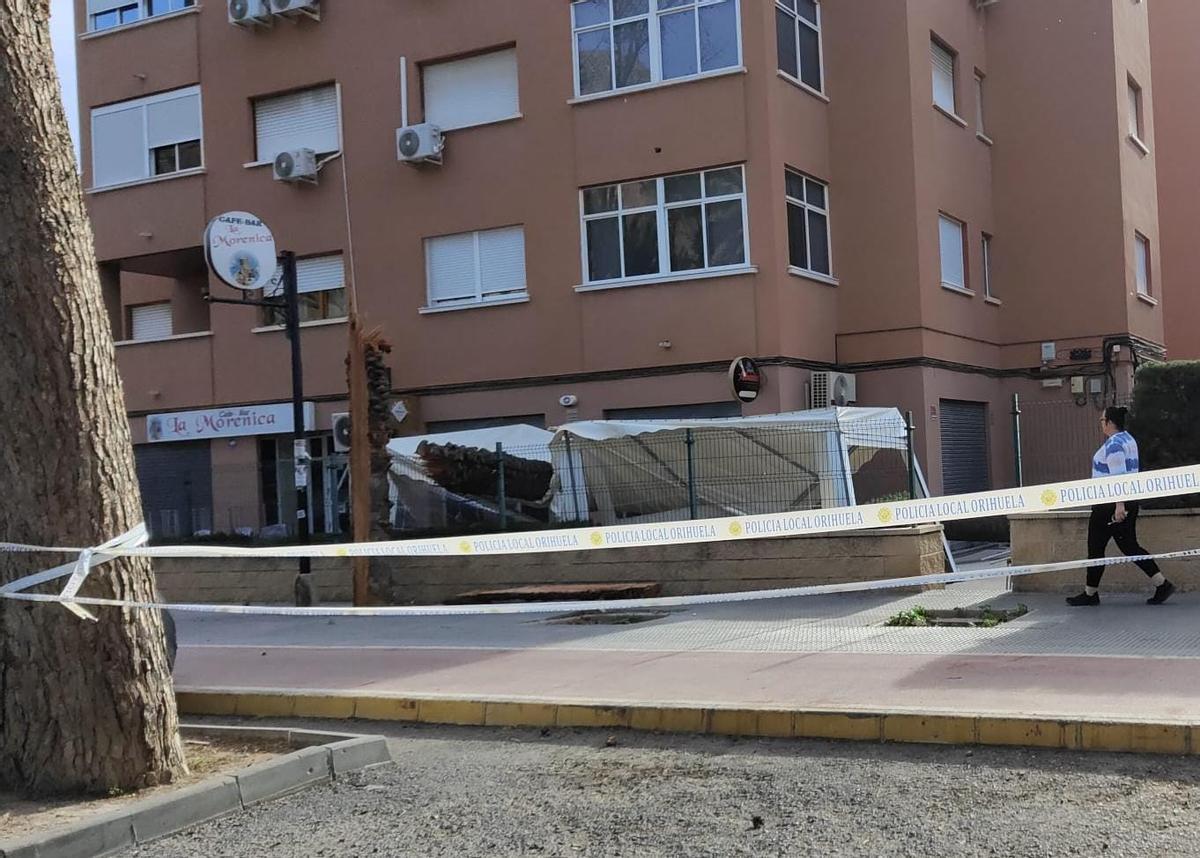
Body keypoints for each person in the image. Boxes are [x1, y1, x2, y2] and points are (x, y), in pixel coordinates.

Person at [1067, 406, 1175, 606]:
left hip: (1109, 505)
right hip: (1126, 502)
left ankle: (1090, 595)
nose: (1100, 424)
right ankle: (1161, 584)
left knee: (1096, 548)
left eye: (1102, 420)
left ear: (1109, 422)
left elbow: (1118, 477)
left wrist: (1119, 506)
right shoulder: (1129, 439)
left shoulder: (1114, 445)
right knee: (1129, 546)